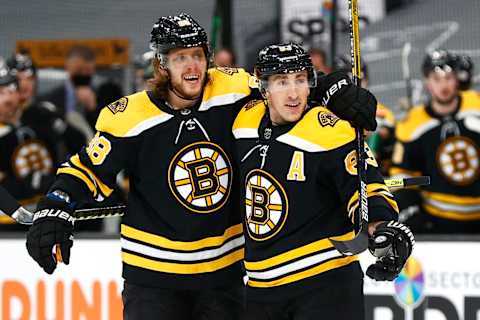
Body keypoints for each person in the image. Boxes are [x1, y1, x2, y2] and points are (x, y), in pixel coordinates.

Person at [25, 13, 377, 320]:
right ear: (161, 65)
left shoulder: (232, 88)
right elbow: (85, 168)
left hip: (224, 276)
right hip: (153, 279)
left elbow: (287, 86)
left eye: (197, 56)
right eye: (180, 58)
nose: (192, 67)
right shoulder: (128, 117)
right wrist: (55, 207)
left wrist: (335, 89)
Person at [232, 43, 414, 320]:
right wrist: (334, 85)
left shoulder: (330, 129)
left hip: (324, 282)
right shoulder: (243, 120)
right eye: (282, 81)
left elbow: (366, 186)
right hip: (260, 288)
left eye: (301, 80)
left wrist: (380, 226)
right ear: (264, 85)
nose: (293, 93)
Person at [390, 49, 480, 233]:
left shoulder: (476, 106)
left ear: (457, 80)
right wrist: (409, 207)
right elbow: (400, 177)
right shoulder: (412, 123)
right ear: (427, 82)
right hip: (436, 221)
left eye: (448, 78)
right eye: (436, 79)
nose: (443, 85)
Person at [0, 58, 55, 230]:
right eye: (1, 92)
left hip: (41, 218)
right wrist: (29, 183)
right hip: (5, 223)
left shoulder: (40, 121)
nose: (8, 98)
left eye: (11, 90)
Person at [7, 53, 86, 165]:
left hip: (48, 178)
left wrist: (57, 123)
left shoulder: (46, 112)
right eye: (18, 79)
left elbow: (79, 143)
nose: (24, 84)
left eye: (30, 79)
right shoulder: (4, 116)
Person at [334, 55, 396, 175]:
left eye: (361, 80)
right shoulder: (325, 113)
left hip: (374, 174)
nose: (357, 87)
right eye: (350, 82)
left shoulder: (382, 112)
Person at [39, 45, 97, 142]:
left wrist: (93, 110)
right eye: (79, 70)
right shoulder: (49, 99)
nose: (83, 75)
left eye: (87, 71)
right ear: (68, 67)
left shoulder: (105, 98)